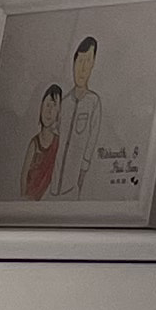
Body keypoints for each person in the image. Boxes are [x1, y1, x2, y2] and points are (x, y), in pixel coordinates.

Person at [52, 35, 104, 198]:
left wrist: (83, 172)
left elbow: (92, 139)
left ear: (93, 65)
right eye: (79, 61)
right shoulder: (64, 103)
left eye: (87, 62)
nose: (82, 69)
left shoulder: (93, 102)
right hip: (53, 188)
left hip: (74, 187)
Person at [19, 83, 64, 201]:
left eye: (54, 106)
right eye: (47, 105)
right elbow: (24, 175)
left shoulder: (58, 143)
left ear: (59, 113)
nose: (49, 111)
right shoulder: (34, 143)